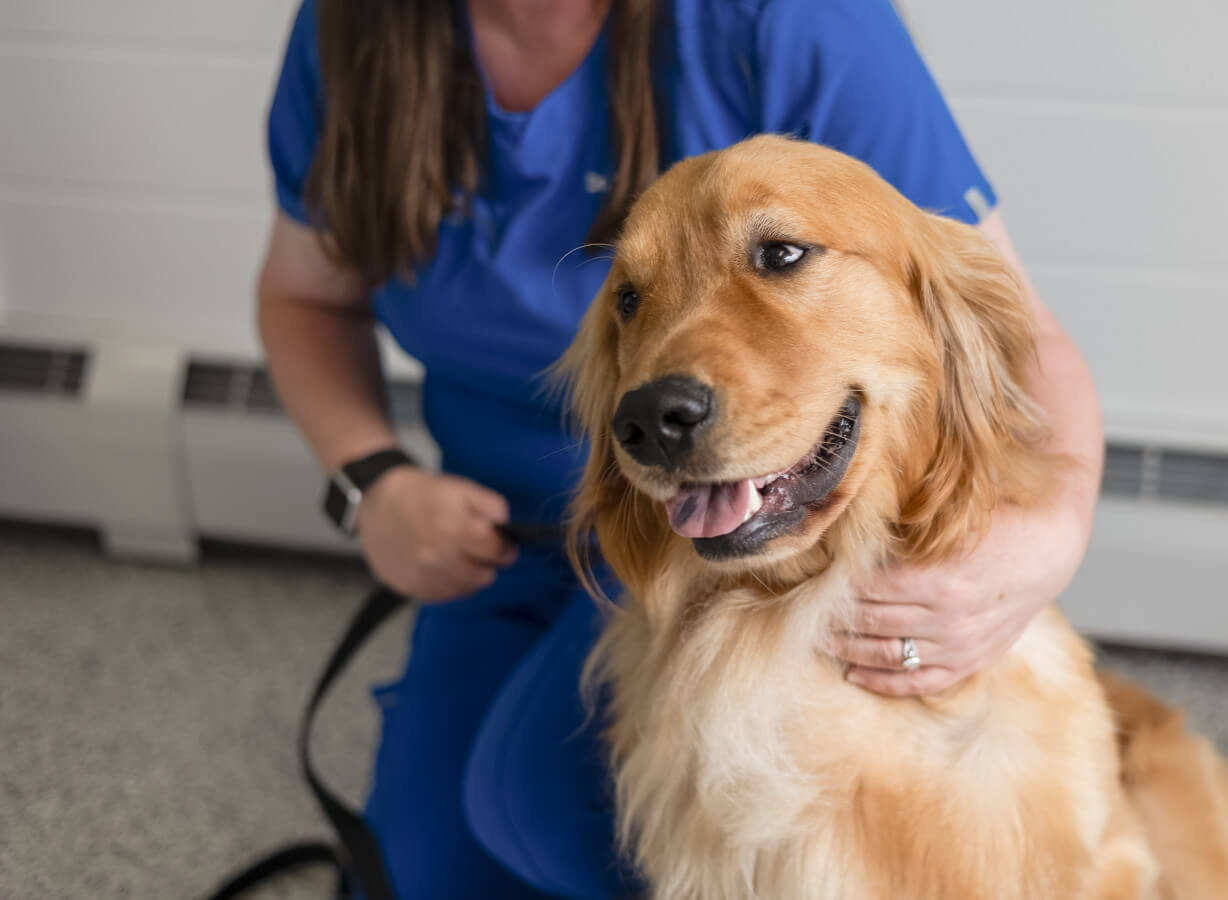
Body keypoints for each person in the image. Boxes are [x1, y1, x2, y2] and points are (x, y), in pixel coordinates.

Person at [257, 0, 1104, 897]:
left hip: (698, 552)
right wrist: (373, 480)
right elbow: (304, 297)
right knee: (428, 875)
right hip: (495, 543)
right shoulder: (350, 25)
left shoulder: (795, 21)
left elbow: (1001, 317)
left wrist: (1052, 532)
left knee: (541, 812)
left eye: (778, 255)